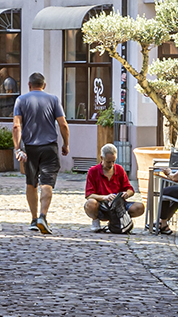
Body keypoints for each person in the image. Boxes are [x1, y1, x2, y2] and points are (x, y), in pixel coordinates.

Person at [10, 71, 68, 234]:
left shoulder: (21, 100)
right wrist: (66, 144)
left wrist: (17, 148)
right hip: (49, 147)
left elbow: (16, 125)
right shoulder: (53, 99)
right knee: (47, 183)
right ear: (44, 85)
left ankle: (34, 218)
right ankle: (43, 216)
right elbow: (63, 124)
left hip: (30, 148)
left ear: (29, 85)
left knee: (31, 183)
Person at [82, 144, 144, 234]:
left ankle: (118, 220)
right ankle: (95, 220)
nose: (111, 164)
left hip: (118, 206)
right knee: (90, 203)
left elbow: (130, 189)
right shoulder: (93, 171)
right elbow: (89, 195)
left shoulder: (119, 169)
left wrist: (126, 194)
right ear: (101, 158)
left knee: (139, 207)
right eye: (108, 162)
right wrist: (105, 197)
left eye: (113, 161)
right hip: (102, 205)